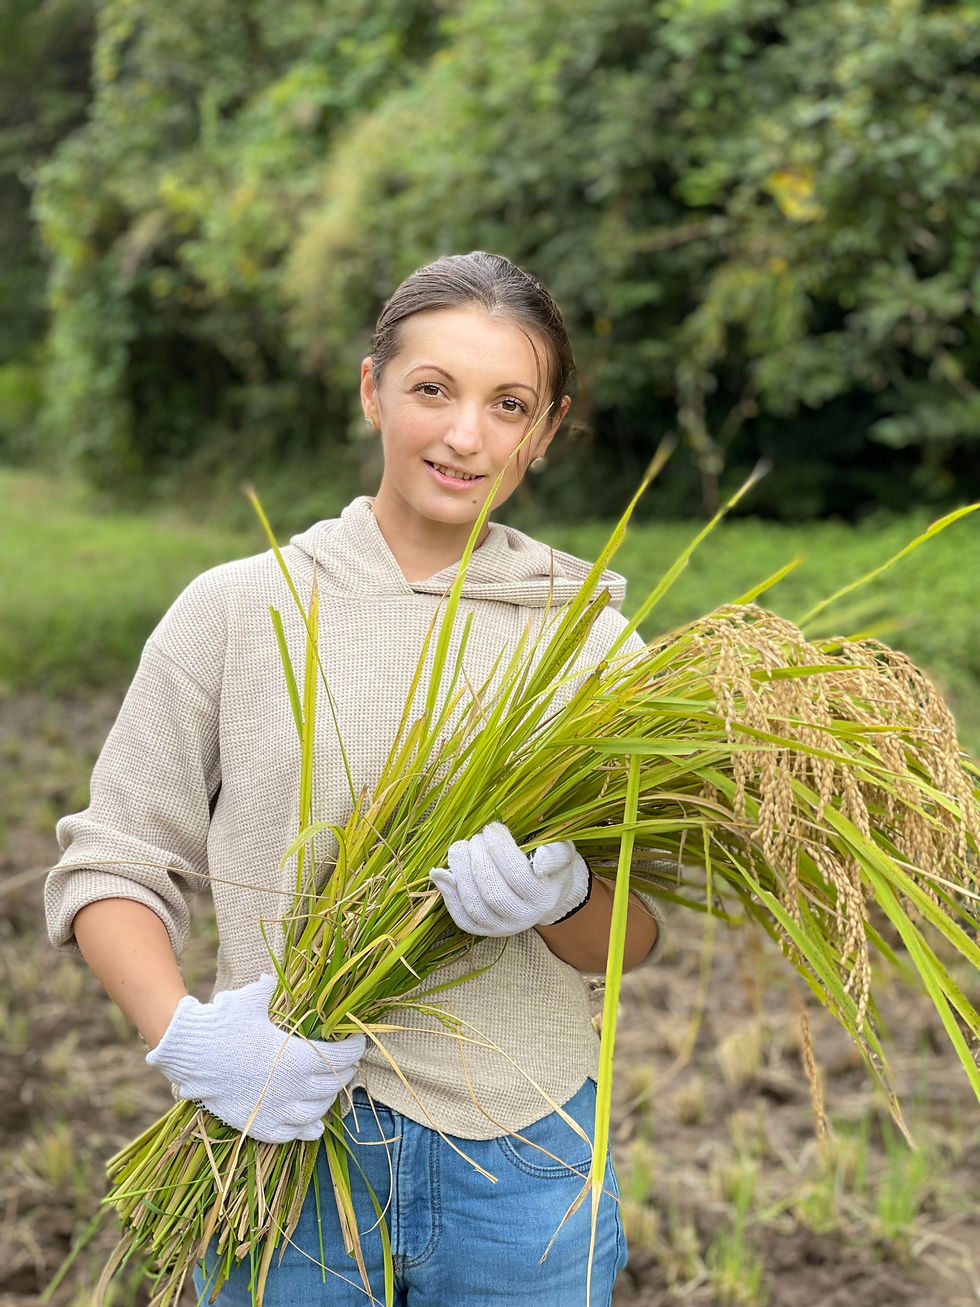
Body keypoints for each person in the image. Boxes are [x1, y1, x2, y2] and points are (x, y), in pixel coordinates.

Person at [45, 251, 663, 1306]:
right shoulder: (240, 610)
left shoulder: (593, 647)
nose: (465, 434)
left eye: (506, 403)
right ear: (372, 388)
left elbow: (632, 937)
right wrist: (190, 1040)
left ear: (544, 430)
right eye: (432, 389)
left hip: (522, 1166)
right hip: (282, 1143)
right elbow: (112, 861)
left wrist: (562, 898)